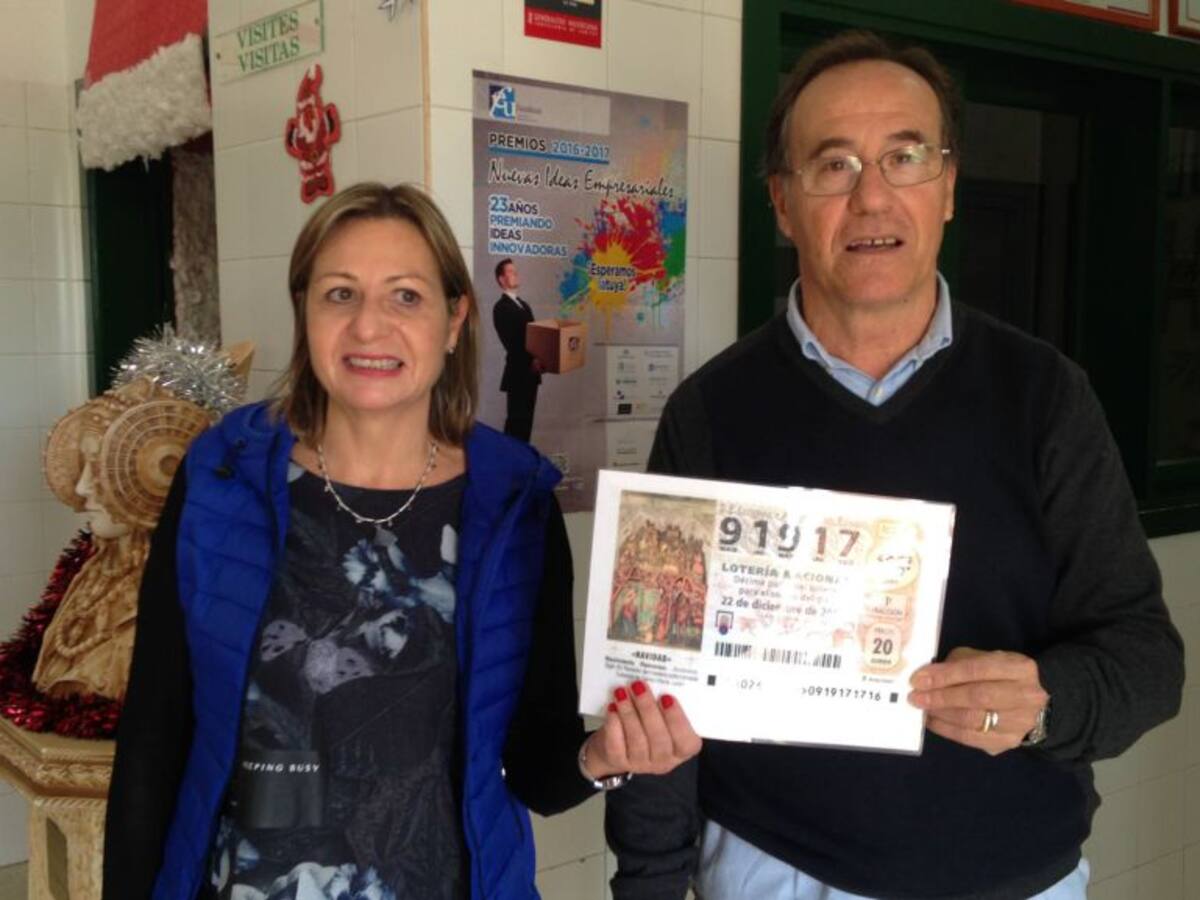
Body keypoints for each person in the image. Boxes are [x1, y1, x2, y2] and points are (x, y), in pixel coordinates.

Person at [605, 31, 1184, 900]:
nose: (871, 196)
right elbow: (655, 691)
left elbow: (1148, 659)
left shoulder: (1045, 396)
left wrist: (1046, 702)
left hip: (1015, 878)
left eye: (905, 157)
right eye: (833, 165)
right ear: (783, 202)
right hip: (775, 872)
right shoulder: (711, 412)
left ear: (948, 187)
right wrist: (649, 882)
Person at [103, 183, 700, 900]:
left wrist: (604, 756)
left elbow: (534, 768)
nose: (368, 326)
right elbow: (153, 740)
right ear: (304, 310)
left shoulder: (515, 506)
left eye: (406, 297)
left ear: (454, 319)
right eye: (340, 294)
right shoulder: (221, 479)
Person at [492, 258, 543, 442]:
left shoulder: (524, 305)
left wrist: (541, 357)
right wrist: (531, 360)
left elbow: (534, 336)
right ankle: (510, 460)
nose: (516, 274)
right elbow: (512, 342)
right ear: (501, 279)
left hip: (531, 374)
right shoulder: (501, 307)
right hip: (518, 373)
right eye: (511, 272)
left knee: (526, 424)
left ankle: (521, 459)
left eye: (516, 271)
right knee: (516, 424)